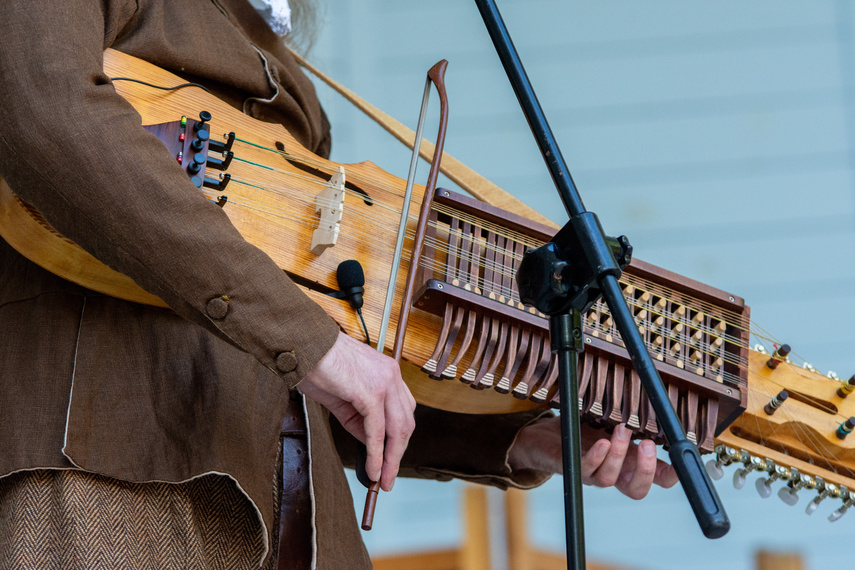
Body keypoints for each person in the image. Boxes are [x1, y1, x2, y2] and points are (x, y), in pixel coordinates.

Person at [0, 1, 677, 568]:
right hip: (102, 487)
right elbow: (44, 104)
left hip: (303, 522)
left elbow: (312, 374)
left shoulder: (269, 45)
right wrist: (314, 344)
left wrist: (523, 440)